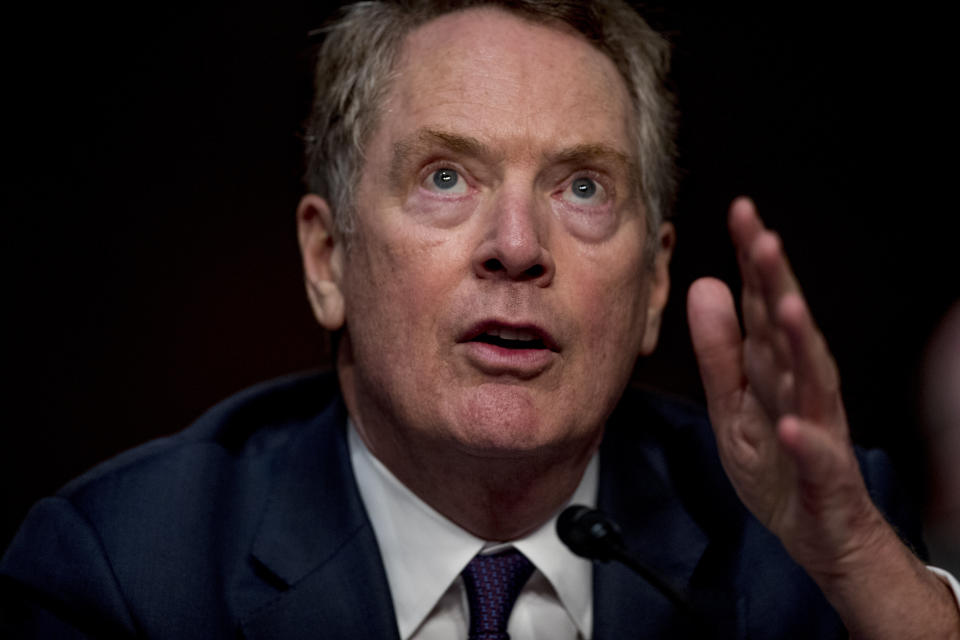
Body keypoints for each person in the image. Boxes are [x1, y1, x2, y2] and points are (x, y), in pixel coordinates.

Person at [2, 1, 958, 638]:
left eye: (582, 186)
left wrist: (864, 569)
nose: (515, 245)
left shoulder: (806, 544)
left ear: (656, 287)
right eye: (446, 177)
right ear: (327, 261)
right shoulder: (126, 572)